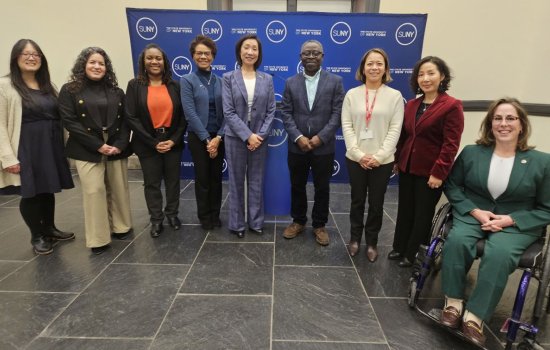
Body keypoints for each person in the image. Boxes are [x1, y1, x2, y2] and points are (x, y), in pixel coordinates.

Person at [440, 98, 550, 347]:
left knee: (499, 254)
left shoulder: (542, 162)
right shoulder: (471, 152)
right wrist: (475, 211)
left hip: (516, 222)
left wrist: (512, 219)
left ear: (522, 124)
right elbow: (453, 186)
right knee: (456, 241)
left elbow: (547, 208)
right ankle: (453, 302)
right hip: (474, 213)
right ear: (490, 124)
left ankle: (475, 315)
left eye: (510, 118)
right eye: (497, 118)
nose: (503, 123)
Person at [0, 39, 74, 255]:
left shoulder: (48, 86)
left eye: (36, 54)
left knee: (47, 188)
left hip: (50, 145)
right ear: (16, 58)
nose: (31, 58)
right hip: (25, 146)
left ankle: (49, 228)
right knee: (30, 192)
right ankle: (37, 235)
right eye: (26, 54)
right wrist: (7, 157)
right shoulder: (5, 86)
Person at [390, 56, 464, 267]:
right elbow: (405, 136)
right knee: (405, 209)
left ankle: (413, 253)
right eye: (421, 74)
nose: (425, 78)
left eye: (431, 73)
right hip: (407, 166)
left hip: (430, 171)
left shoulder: (451, 106)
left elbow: (451, 144)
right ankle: (399, 247)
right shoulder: (413, 104)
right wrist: (398, 159)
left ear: (442, 76)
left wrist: (439, 173)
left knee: (422, 213)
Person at [59, 47, 132, 255]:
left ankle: (121, 226)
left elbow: (125, 120)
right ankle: (98, 238)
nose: (97, 66)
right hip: (86, 146)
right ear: (83, 65)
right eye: (92, 62)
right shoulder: (70, 90)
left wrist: (120, 143)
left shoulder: (117, 91)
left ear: (106, 68)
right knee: (94, 191)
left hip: (116, 144)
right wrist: (97, 145)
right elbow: (70, 122)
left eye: (101, 63)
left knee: (118, 187)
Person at [341, 48, 404, 261]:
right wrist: (359, 155)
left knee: (376, 204)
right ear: (363, 68)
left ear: (385, 68)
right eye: (370, 63)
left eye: (379, 63)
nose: (374, 67)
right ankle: (355, 239)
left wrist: (379, 156)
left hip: (382, 161)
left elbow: (395, 129)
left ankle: (372, 242)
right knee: (357, 201)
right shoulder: (352, 94)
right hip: (355, 159)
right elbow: (347, 126)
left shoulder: (394, 96)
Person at [280, 40, 344, 246]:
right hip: (296, 146)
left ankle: (319, 224)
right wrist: (298, 137)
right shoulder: (290, 82)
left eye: (315, 53)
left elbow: (337, 113)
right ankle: (298, 221)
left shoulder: (335, 81)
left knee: (322, 187)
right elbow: (286, 113)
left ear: (322, 56)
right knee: (297, 185)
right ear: (300, 57)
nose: (311, 56)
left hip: (323, 147)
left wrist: (320, 137)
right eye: (306, 53)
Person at [126, 44, 186, 238]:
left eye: (158, 58)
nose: (154, 62)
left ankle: (172, 215)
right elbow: (131, 117)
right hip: (147, 142)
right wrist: (153, 142)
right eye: (150, 58)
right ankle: (156, 220)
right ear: (143, 61)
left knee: (172, 182)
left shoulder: (175, 86)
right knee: (152, 184)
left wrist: (173, 140)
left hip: (172, 141)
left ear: (164, 62)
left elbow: (183, 117)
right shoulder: (135, 86)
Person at [222, 34, 275, 238]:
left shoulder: (267, 79)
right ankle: (236, 224)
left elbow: (271, 111)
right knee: (235, 182)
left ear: (259, 53)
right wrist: (247, 136)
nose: (250, 52)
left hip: (260, 140)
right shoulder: (228, 78)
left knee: (256, 181)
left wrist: (259, 135)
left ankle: (255, 222)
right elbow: (229, 112)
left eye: (254, 48)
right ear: (240, 51)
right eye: (246, 47)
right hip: (236, 138)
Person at [181, 35, 224, 230]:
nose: (203, 56)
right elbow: (189, 113)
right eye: (199, 53)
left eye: (207, 53)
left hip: (220, 137)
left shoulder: (222, 81)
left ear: (213, 56)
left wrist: (218, 137)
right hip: (199, 138)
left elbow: (228, 113)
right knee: (203, 179)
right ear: (193, 56)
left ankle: (216, 214)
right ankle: (205, 217)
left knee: (217, 178)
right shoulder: (187, 80)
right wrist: (208, 140)